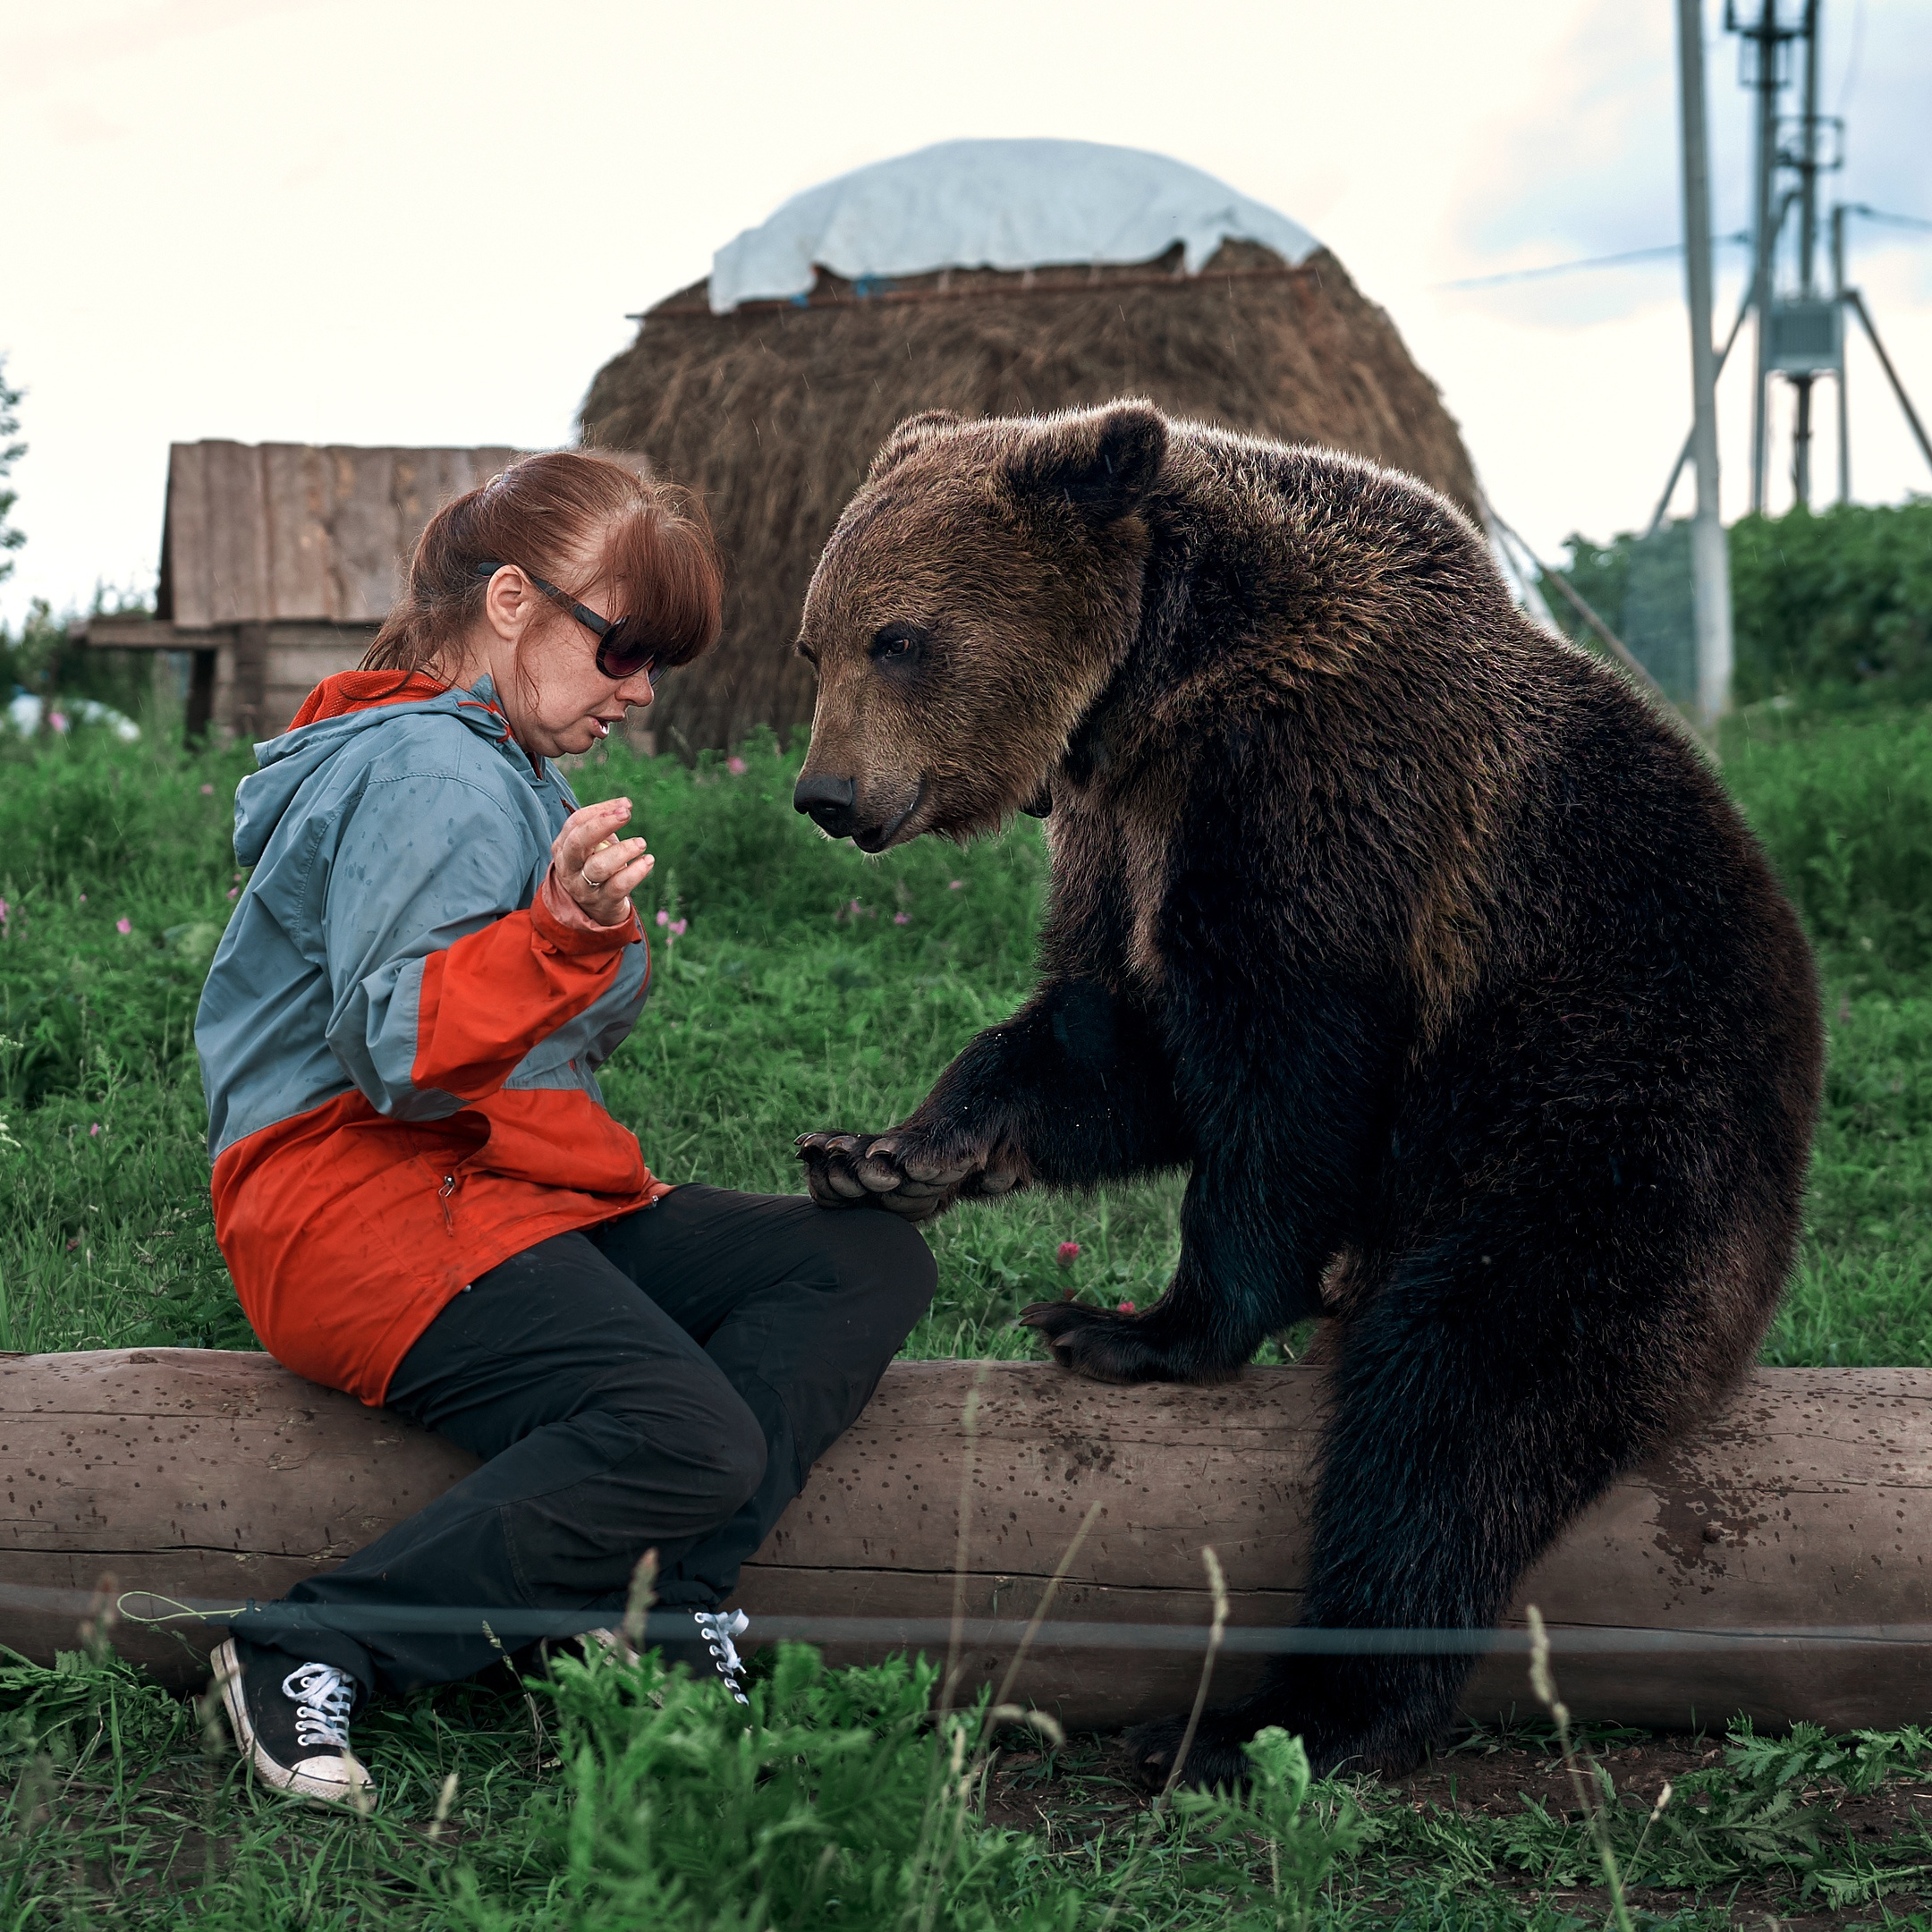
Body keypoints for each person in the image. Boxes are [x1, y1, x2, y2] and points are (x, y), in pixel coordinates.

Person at [193, 452, 936, 1807]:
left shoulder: (499, 762)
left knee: (860, 1260)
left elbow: (519, 1056)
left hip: (501, 1193)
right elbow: (401, 1054)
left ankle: (653, 1613)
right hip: (351, 1204)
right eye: (627, 648)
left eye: (662, 665)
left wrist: (568, 945)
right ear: (515, 601)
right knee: (687, 1435)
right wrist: (558, 939)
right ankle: (314, 1643)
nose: (640, 693)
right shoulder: (431, 768)